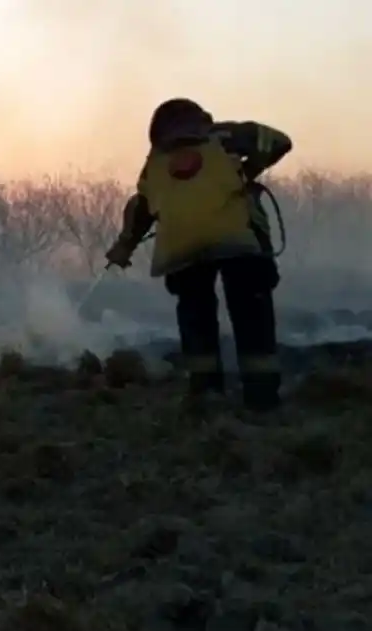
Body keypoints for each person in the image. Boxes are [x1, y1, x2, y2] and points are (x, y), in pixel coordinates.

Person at [105, 98, 293, 411]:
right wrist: (249, 170)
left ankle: (205, 393)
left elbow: (140, 207)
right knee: (251, 313)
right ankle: (261, 398)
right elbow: (278, 141)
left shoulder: (155, 161)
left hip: (181, 249)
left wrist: (124, 246)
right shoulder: (224, 136)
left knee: (196, 316)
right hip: (238, 242)